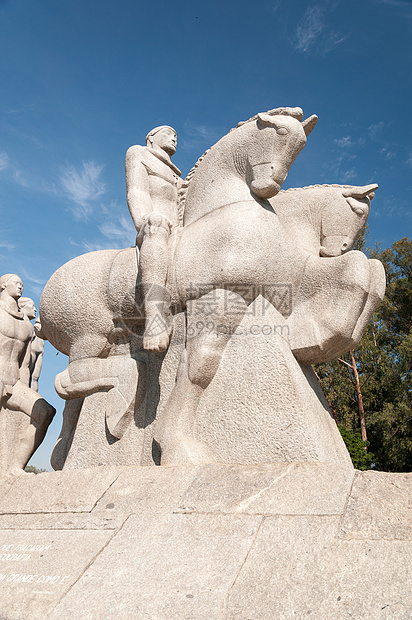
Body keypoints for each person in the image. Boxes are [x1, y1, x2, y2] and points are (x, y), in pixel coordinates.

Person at [125, 125, 182, 352]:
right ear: (151, 137)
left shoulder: (177, 173)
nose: (174, 137)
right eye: (168, 133)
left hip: (178, 228)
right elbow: (137, 190)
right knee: (158, 226)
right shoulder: (138, 153)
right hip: (155, 226)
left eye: (176, 135)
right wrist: (146, 220)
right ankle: (155, 319)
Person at [0, 274, 55, 475]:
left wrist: (25, 387)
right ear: (3, 285)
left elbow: (25, 365)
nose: (20, 285)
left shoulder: (25, 324)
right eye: (16, 282)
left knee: (45, 412)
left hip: (13, 382)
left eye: (22, 283)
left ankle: (14, 466)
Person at [18, 297, 44, 392]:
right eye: (32, 306)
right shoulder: (15, 329)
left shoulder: (39, 341)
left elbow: (34, 378)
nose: (35, 309)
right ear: (21, 306)